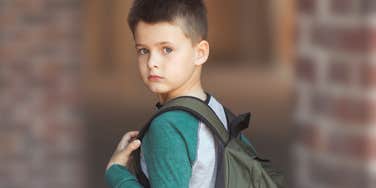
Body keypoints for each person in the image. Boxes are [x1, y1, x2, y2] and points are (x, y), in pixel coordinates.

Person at [105, 0, 253, 187]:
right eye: (143, 50)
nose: (152, 62)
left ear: (200, 52)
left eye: (167, 49)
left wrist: (117, 173)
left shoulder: (167, 127)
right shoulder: (216, 111)